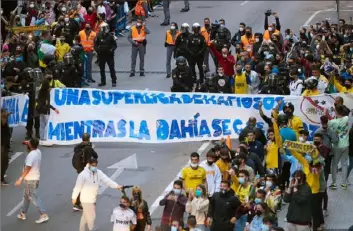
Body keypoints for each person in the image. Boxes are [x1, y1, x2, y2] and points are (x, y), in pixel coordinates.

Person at [72, 158, 123, 231]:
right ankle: (91, 228)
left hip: (92, 198)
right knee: (92, 216)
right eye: (93, 165)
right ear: (89, 164)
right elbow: (77, 187)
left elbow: (107, 180)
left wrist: (117, 186)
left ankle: (81, 229)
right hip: (85, 199)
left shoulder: (98, 173)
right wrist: (74, 197)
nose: (94, 167)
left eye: (95, 166)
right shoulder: (82, 175)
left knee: (85, 216)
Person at [15, 138, 49, 224]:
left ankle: (43, 214)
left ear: (30, 145)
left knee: (34, 198)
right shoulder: (38, 152)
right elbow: (33, 145)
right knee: (26, 197)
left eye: (29, 143)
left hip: (30, 180)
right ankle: (23, 213)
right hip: (34, 178)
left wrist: (20, 179)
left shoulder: (31, 155)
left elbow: (27, 168)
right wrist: (28, 143)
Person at [72, 133, 98, 211]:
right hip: (84, 168)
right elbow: (95, 156)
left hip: (79, 167)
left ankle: (80, 202)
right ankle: (78, 203)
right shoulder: (89, 148)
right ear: (89, 138)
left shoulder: (78, 146)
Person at [327, 105, 350, 190]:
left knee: (334, 165)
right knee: (344, 165)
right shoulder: (347, 118)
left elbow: (324, 124)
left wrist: (325, 113)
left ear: (336, 112)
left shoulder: (333, 122)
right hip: (346, 145)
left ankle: (334, 183)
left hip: (336, 146)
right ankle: (344, 184)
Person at [36, 78, 60, 145]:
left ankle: (41, 139)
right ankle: (45, 138)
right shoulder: (47, 94)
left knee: (42, 125)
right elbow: (47, 103)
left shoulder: (40, 92)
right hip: (46, 110)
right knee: (47, 125)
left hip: (40, 110)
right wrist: (54, 109)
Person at [1, 109, 11, 185]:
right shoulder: (2, 122)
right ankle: (1, 178)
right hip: (2, 145)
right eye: (3, 115)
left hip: (5, 145)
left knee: (5, 162)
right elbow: (3, 122)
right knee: (3, 162)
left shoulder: (5, 122)